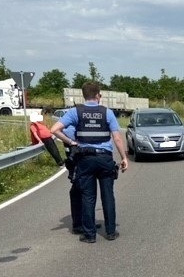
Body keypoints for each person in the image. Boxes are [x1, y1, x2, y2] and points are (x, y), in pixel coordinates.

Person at [51, 82, 128, 243]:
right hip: (105, 158)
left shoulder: (75, 112)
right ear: (98, 95)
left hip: (85, 159)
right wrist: (124, 158)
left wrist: (71, 142)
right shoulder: (107, 112)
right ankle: (111, 232)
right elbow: (117, 138)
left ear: (84, 95)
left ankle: (89, 235)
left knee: (88, 197)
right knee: (108, 196)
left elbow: (54, 130)